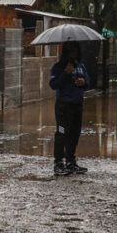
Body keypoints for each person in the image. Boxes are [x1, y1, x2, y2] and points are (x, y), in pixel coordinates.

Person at [49, 42, 90, 176]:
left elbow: (88, 82)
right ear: (66, 52)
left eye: (76, 50)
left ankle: (71, 162)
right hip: (63, 107)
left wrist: (84, 82)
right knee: (61, 133)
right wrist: (66, 73)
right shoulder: (58, 67)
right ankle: (58, 163)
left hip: (77, 105)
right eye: (71, 50)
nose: (74, 53)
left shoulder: (81, 66)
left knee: (74, 133)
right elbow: (53, 84)